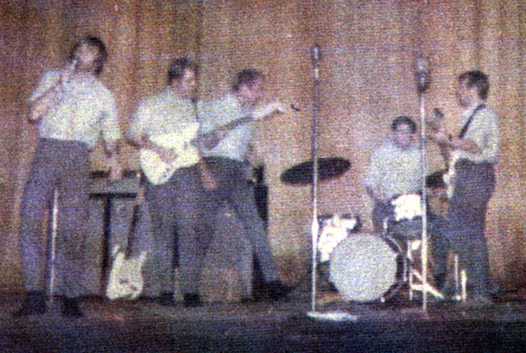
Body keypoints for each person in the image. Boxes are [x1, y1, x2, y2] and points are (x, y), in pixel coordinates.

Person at [15, 36, 122, 318]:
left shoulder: (103, 94)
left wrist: (114, 159)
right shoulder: (52, 77)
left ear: (98, 60)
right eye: (80, 48)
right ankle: (34, 294)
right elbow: (33, 113)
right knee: (29, 216)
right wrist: (59, 85)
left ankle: (70, 296)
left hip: (77, 154)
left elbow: (111, 134)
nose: (82, 53)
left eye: (90, 51)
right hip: (48, 149)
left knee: (73, 228)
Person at [197, 69, 291, 302]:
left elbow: (240, 145)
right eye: (257, 89)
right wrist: (252, 117)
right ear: (244, 88)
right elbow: (208, 141)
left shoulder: (249, 114)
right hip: (216, 167)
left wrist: (252, 158)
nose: (260, 94)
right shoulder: (217, 107)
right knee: (204, 229)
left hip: (237, 172)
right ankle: (188, 286)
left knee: (255, 225)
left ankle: (273, 283)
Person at [128, 57, 213, 307]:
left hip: (188, 171)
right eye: (189, 80)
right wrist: (157, 149)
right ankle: (165, 290)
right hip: (158, 171)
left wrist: (206, 164)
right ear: (174, 81)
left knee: (190, 229)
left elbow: (197, 145)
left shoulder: (194, 107)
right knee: (163, 229)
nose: (194, 85)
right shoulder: (151, 104)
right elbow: (132, 134)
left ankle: (190, 291)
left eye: (194, 80)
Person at [431, 70, 499, 304]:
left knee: (469, 233)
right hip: (466, 176)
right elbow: (455, 154)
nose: (457, 92)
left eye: (461, 88)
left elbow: (473, 146)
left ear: (473, 89)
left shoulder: (483, 115)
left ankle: (481, 290)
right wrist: (443, 139)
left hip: (475, 176)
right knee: (462, 232)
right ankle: (475, 285)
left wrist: (446, 137)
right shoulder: (471, 116)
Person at [365, 116, 448, 290]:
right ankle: (389, 277)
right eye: (400, 131)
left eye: (408, 132)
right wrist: (380, 198)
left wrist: (433, 192)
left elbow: (426, 183)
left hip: (416, 201)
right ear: (393, 133)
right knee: (379, 221)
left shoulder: (419, 153)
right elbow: (370, 184)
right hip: (390, 204)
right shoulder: (381, 153)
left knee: (442, 227)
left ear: (412, 135)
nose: (404, 135)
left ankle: (440, 274)